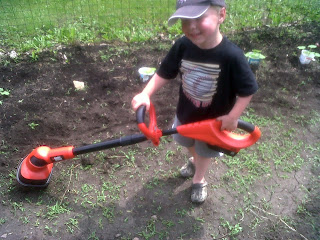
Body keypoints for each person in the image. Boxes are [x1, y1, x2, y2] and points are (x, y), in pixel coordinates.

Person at [131, 0, 258, 203]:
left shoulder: (231, 55)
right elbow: (164, 72)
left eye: (199, 18)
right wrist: (146, 93)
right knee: (187, 142)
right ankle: (195, 160)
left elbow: (247, 91)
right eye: (185, 20)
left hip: (213, 124)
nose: (191, 26)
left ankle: (199, 179)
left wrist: (233, 117)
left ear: (221, 15)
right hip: (186, 115)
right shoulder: (183, 45)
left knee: (205, 150)